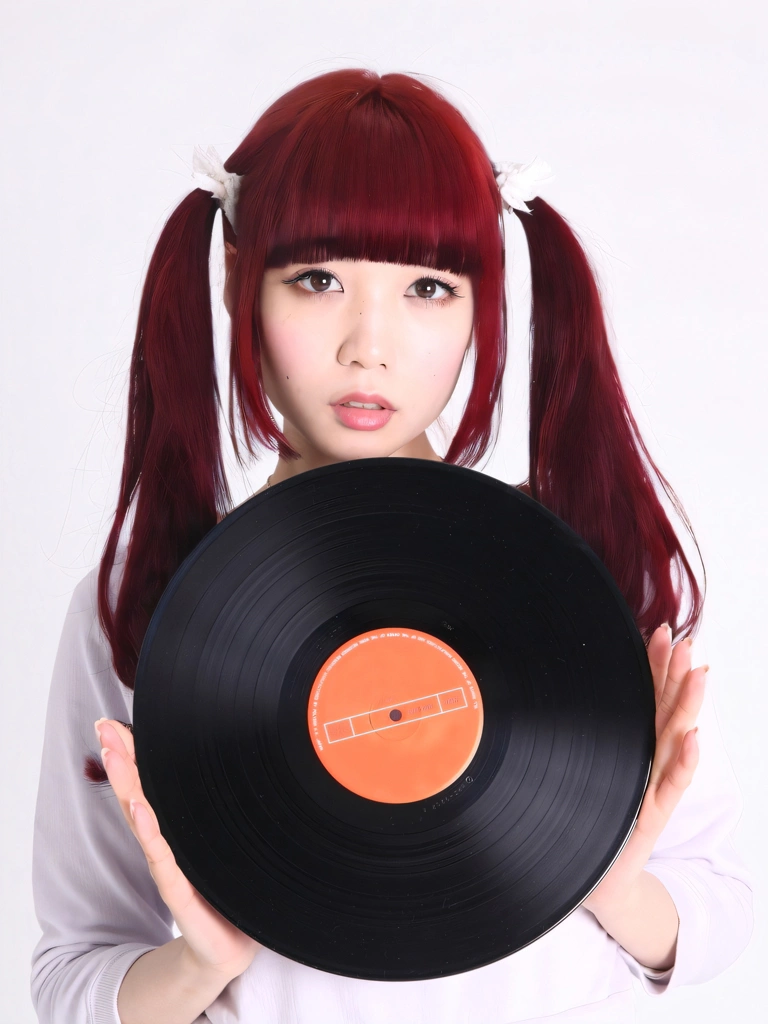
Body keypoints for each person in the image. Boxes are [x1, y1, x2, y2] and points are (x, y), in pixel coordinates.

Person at [30, 68, 753, 1024]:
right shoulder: (137, 600)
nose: (368, 346)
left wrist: (608, 882)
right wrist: (201, 965)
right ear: (236, 279)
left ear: (479, 309)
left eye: (426, 287)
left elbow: (725, 911)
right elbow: (71, 978)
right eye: (318, 279)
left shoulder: (580, 568)